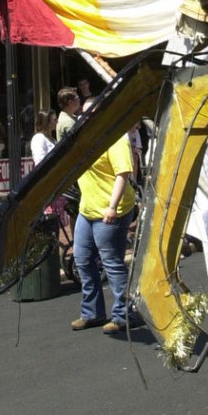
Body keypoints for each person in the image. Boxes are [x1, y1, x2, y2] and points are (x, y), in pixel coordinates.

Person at [71, 131, 142, 335]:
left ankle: (124, 315)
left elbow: (123, 174)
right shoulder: (83, 140)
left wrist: (112, 207)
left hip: (112, 209)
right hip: (88, 209)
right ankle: (92, 313)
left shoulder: (115, 138)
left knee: (111, 261)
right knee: (82, 259)